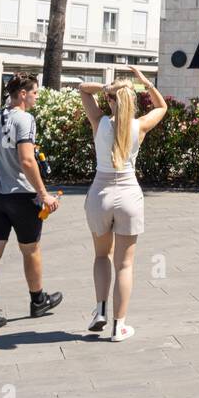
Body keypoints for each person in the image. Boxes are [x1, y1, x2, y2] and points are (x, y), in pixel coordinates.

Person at [79, 66, 166, 342]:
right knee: (124, 265)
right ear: (133, 100)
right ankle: (119, 326)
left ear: (111, 100)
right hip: (129, 193)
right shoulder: (139, 126)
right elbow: (162, 107)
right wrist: (144, 83)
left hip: (100, 192)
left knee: (101, 256)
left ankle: (100, 310)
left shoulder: (100, 121)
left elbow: (82, 88)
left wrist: (107, 88)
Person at [0, 73, 63, 332]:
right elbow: (26, 160)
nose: (36, 96)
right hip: (22, 197)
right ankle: (38, 300)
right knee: (30, 249)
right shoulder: (25, 119)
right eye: (34, 92)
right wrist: (44, 194)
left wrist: (1, 163)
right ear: (22, 94)